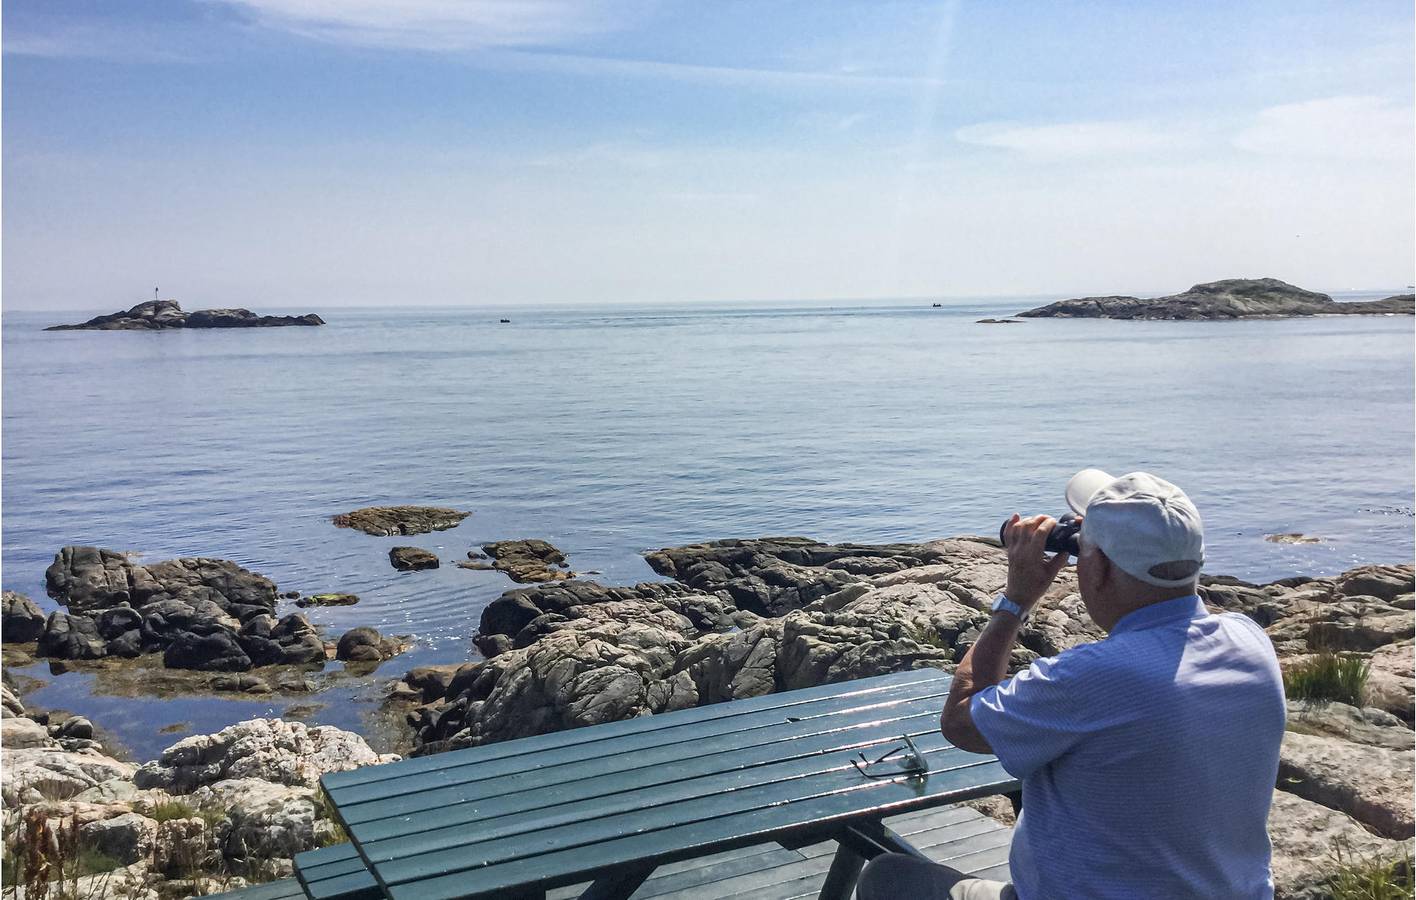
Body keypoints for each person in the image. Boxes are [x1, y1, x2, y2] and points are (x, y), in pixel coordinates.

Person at [856, 470, 1286, 900]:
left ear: (1095, 567)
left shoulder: (1096, 676)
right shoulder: (1251, 642)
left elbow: (962, 721)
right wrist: (1107, 546)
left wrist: (1016, 600)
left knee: (888, 877)